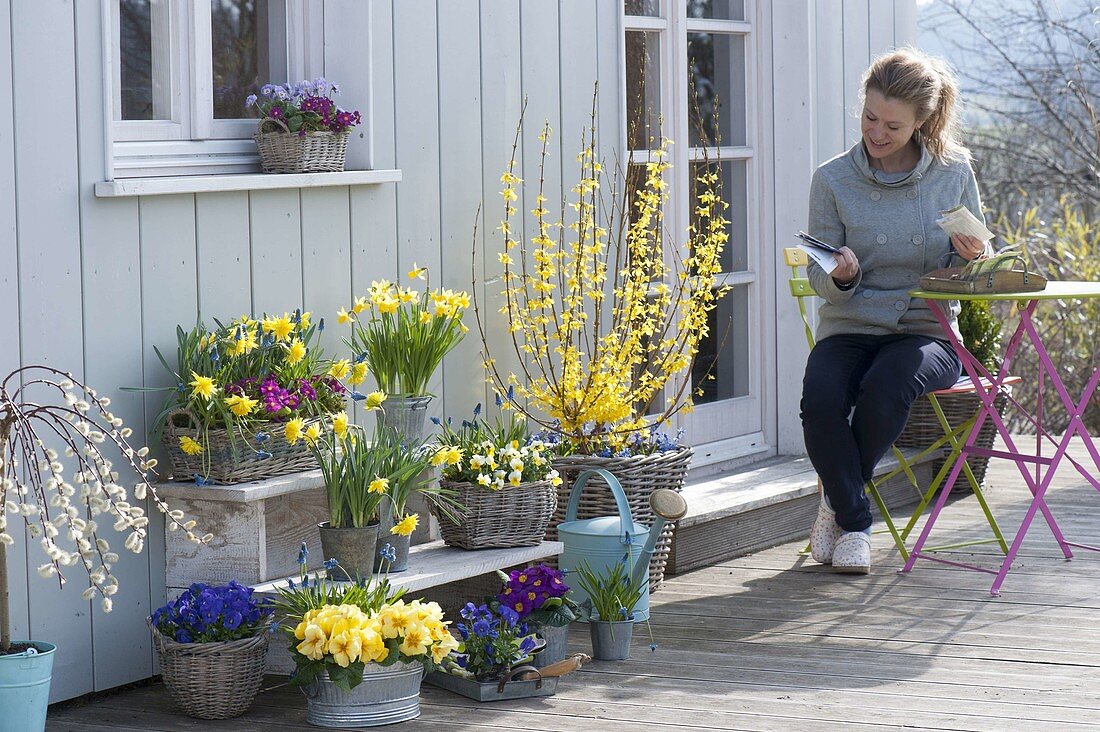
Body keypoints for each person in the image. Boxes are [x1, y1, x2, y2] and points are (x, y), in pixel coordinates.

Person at [802, 48, 990, 574]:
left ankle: (841, 510)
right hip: (850, 325)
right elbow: (820, 274)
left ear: (922, 122)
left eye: (892, 125)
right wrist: (842, 274)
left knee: (885, 387)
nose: (876, 133)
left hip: (925, 331)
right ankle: (854, 516)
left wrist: (974, 256)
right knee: (819, 401)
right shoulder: (833, 179)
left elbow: (980, 261)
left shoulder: (953, 173)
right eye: (868, 118)